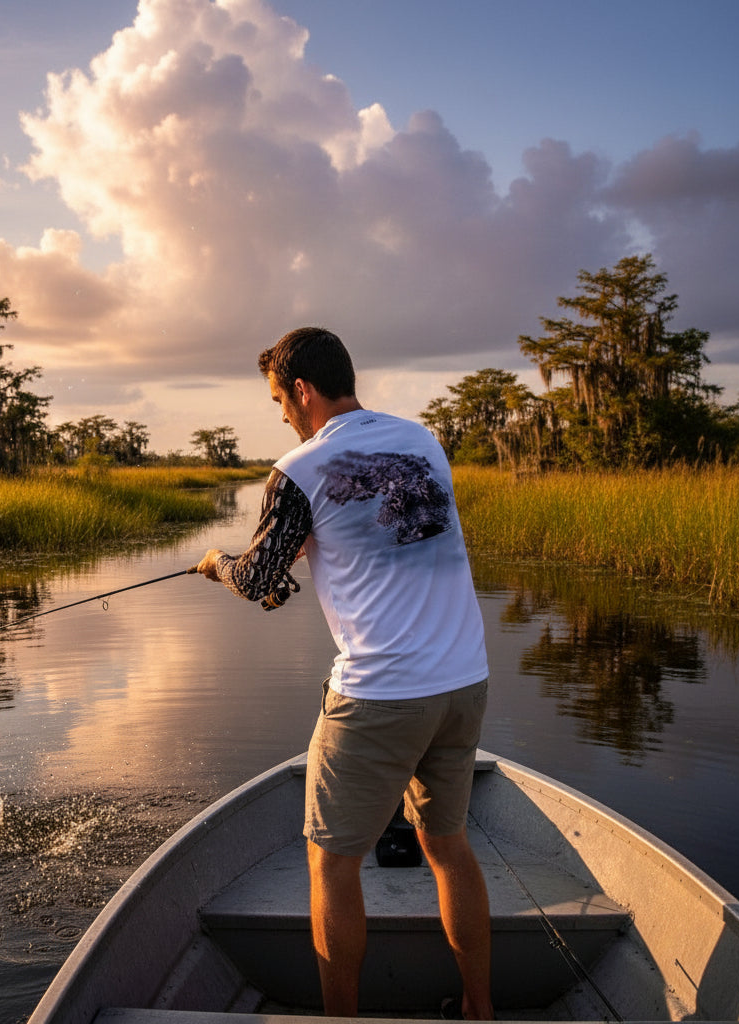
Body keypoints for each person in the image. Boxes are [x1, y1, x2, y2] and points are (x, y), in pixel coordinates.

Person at [196, 327, 493, 1020]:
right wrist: (292, 557)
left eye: (278, 400)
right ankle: (481, 1009)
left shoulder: (299, 467)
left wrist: (217, 565)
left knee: (331, 864)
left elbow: (257, 577)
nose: (279, 415)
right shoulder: (421, 440)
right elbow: (384, 533)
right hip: (464, 681)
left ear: (302, 390)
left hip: (379, 696)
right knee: (447, 846)